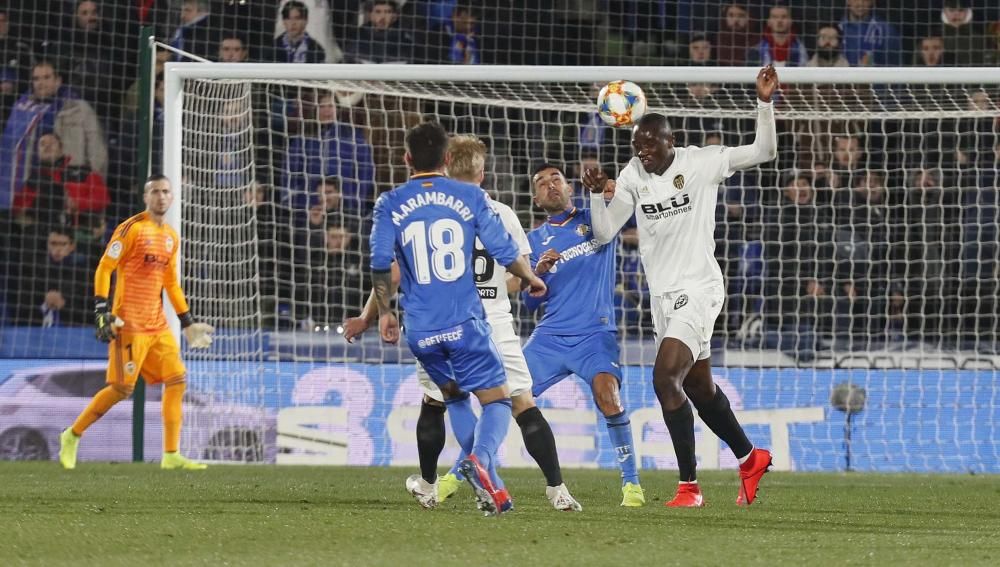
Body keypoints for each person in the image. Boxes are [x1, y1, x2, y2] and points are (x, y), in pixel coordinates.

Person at [345, 135, 581, 512]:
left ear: (444, 165)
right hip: (490, 321)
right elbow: (515, 272)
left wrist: (371, 315)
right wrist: (532, 277)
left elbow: (391, 272)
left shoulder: (406, 206)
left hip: (431, 320)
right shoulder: (499, 212)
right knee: (518, 403)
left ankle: (429, 483)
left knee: (440, 399)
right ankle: (556, 490)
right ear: (482, 173)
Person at [582, 65, 780, 508]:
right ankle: (750, 457)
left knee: (664, 378)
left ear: (670, 141)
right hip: (663, 299)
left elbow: (764, 151)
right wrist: (597, 195)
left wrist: (763, 103)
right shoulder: (633, 174)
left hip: (700, 288)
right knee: (698, 388)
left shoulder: (702, 161)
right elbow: (602, 233)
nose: (642, 152)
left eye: (649, 144)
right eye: (636, 146)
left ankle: (689, 487)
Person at [58, 175, 216, 471]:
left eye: (166, 191)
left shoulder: (171, 236)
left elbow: (170, 283)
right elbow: (105, 267)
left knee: (177, 379)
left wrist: (187, 322)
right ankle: (72, 434)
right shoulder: (131, 229)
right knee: (120, 390)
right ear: (146, 197)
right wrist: (101, 309)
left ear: (172, 197)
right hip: (128, 324)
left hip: (157, 326)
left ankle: (171, 454)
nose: (161, 196)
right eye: (155, 191)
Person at [523, 163, 645, 507]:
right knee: (503, 398)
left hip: (594, 336)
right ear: (535, 199)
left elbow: (625, 203)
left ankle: (632, 485)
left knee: (609, 398)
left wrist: (607, 188)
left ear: (569, 187)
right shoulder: (532, 242)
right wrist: (538, 274)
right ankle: (460, 474)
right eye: (542, 183)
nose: (550, 185)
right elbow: (530, 305)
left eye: (556, 179)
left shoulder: (597, 219)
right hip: (550, 338)